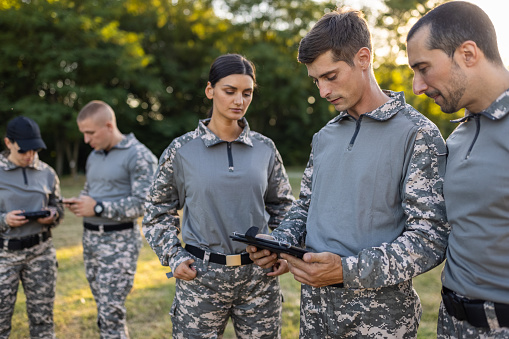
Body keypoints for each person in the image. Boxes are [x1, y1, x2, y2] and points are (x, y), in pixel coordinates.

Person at [247, 8, 450, 338]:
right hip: (315, 314)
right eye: (316, 81)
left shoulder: (417, 134)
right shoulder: (324, 136)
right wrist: (279, 242)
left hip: (380, 320)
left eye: (330, 76)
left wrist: (345, 270)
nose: (323, 91)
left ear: (363, 58)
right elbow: (307, 207)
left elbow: (430, 237)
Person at [142, 53, 295, 338]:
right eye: (230, 91)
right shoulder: (181, 150)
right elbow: (156, 214)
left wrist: (286, 252)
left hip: (258, 279)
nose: (239, 101)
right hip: (201, 279)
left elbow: (285, 209)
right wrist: (173, 256)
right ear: (210, 90)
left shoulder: (265, 148)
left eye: (247, 93)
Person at [407, 1, 509, 337]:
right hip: (451, 323)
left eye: (423, 68)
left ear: (467, 53)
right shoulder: (459, 134)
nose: (417, 87)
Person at [64, 101, 157, 339]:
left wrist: (98, 207)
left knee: (111, 313)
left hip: (119, 243)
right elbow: (91, 189)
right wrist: (81, 201)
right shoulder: (94, 155)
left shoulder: (139, 155)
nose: (86, 140)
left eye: (90, 133)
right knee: (103, 310)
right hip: (91, 241)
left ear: (108, 125)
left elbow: (144, 204)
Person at [0, 116, 63, 339]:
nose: (30, 156)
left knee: (43, 321)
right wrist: (4, 220)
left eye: (34, 150)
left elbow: (58, 206)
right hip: (4, 256)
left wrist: (53, 215)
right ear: (8, 143)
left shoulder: (47, 172)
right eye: (23, 150)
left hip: (41, 254)